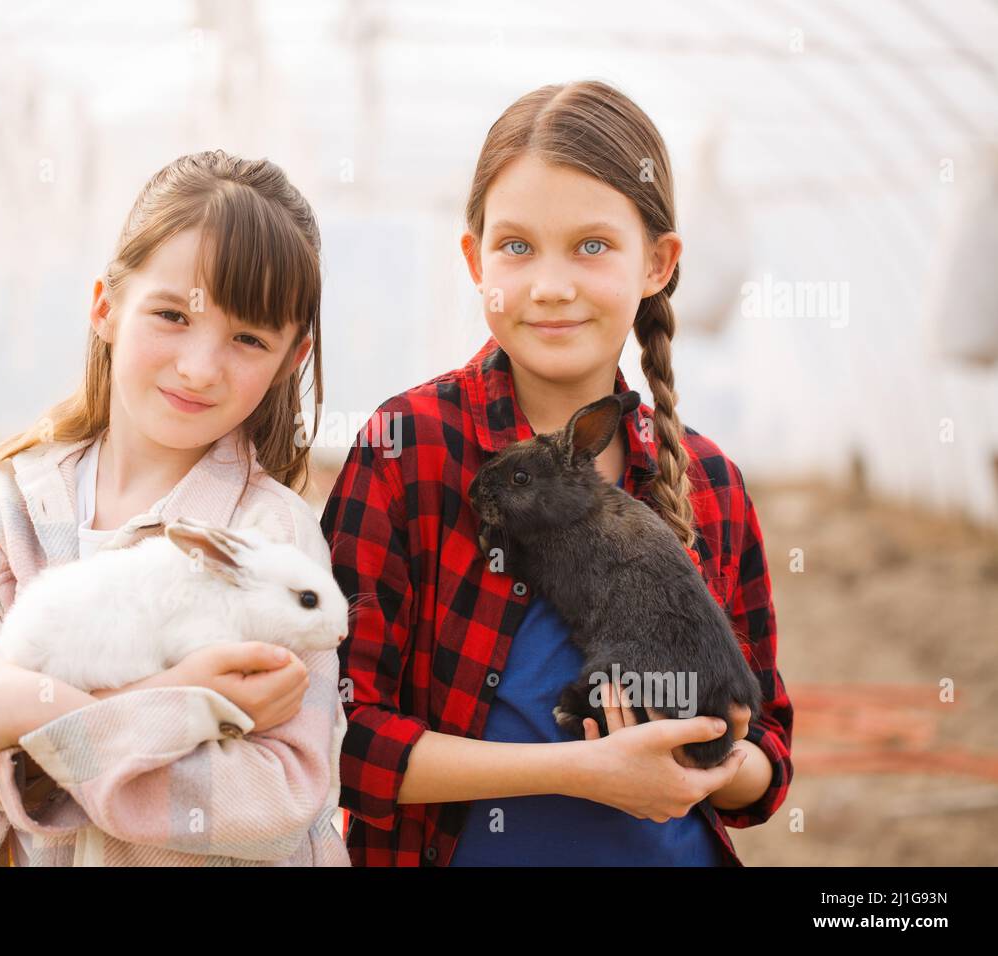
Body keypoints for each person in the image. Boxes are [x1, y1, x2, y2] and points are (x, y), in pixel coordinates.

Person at [321, 81, 794, 866]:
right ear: (475, 260)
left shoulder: (709, 479)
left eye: (593, 246)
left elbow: (766, 754)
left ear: (658, 264)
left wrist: (716, 762)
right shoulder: (410, 449)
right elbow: (340, 739)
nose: (549, 285)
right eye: (516, 246)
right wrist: (581, 772)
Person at [0, 149, 349, 867]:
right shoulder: (2, 510)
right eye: (171, 315)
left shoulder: (274, 543)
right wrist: (177, 698)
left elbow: (272, 804)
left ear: (293, 359)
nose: (199, 366)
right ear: (106, 306)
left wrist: (34, 707)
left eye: (248, 339)